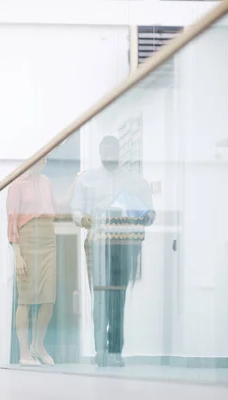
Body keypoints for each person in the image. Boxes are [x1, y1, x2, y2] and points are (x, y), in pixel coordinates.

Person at [71, 135, 155, 367]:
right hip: (97, 243)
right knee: (99, 296)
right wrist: (84, 218)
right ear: (99, 152)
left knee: (117, 298)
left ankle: (115, 350)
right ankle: (100, 350)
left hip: (124, 244)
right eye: (104, 150)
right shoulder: (87, 180)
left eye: (112, 150)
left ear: (119, 152)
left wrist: (144, 215)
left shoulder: (135, 181)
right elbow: (76, 210)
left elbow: (149, 214)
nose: (108, 154)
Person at [6, 157, 57, 366]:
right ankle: (24, 352)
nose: (42, 161)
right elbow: (12, 220)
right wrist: (17, 253)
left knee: (49, 296)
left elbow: (56, 206)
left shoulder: (46, 181)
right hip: (27, 238)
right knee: (25, 297)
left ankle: (39, 344)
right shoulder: (16, 183)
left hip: (48, 236)